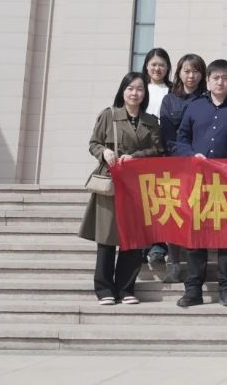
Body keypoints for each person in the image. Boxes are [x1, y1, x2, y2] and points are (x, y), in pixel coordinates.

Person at [173, 59, 227, 308]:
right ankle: (193, 290)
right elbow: (181, 139)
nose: (220, 82)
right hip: (198, 181)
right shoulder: (194, 107)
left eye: (225, 78)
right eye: (216, 77)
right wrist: (191, 155)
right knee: (196, 237)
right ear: (208, 81)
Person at [79, 72, 163, 305]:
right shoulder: (109, 115)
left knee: (133, 238)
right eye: (130, 88)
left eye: (140, 89)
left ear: (145, 94)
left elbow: (158, 150)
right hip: (111, 183)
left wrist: (137, 156)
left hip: (138, 184)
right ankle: (104, 288)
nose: (135, 93)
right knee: (106, 237)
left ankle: (126, 288)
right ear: (122, 91)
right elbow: (94, 143)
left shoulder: (151, 121)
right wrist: (104, 152)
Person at [151, 53, 207, 279]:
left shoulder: (208, 99)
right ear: (179, 73)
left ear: (202, 74)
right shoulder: (169, 99)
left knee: (198, 215)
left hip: (202, 165)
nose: (191, 75)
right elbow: (167, 135)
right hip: (175, 164)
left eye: (196, 71)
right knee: (173, 214)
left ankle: (196, 267)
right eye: (187, 71)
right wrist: (186, 155)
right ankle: (174, 263)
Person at [141, 48, 172, 118]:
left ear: (167, 67)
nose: (157, 69)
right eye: (154, 65)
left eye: (161, 65)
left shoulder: (175, 91)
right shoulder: (139, 88)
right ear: (147, 66)